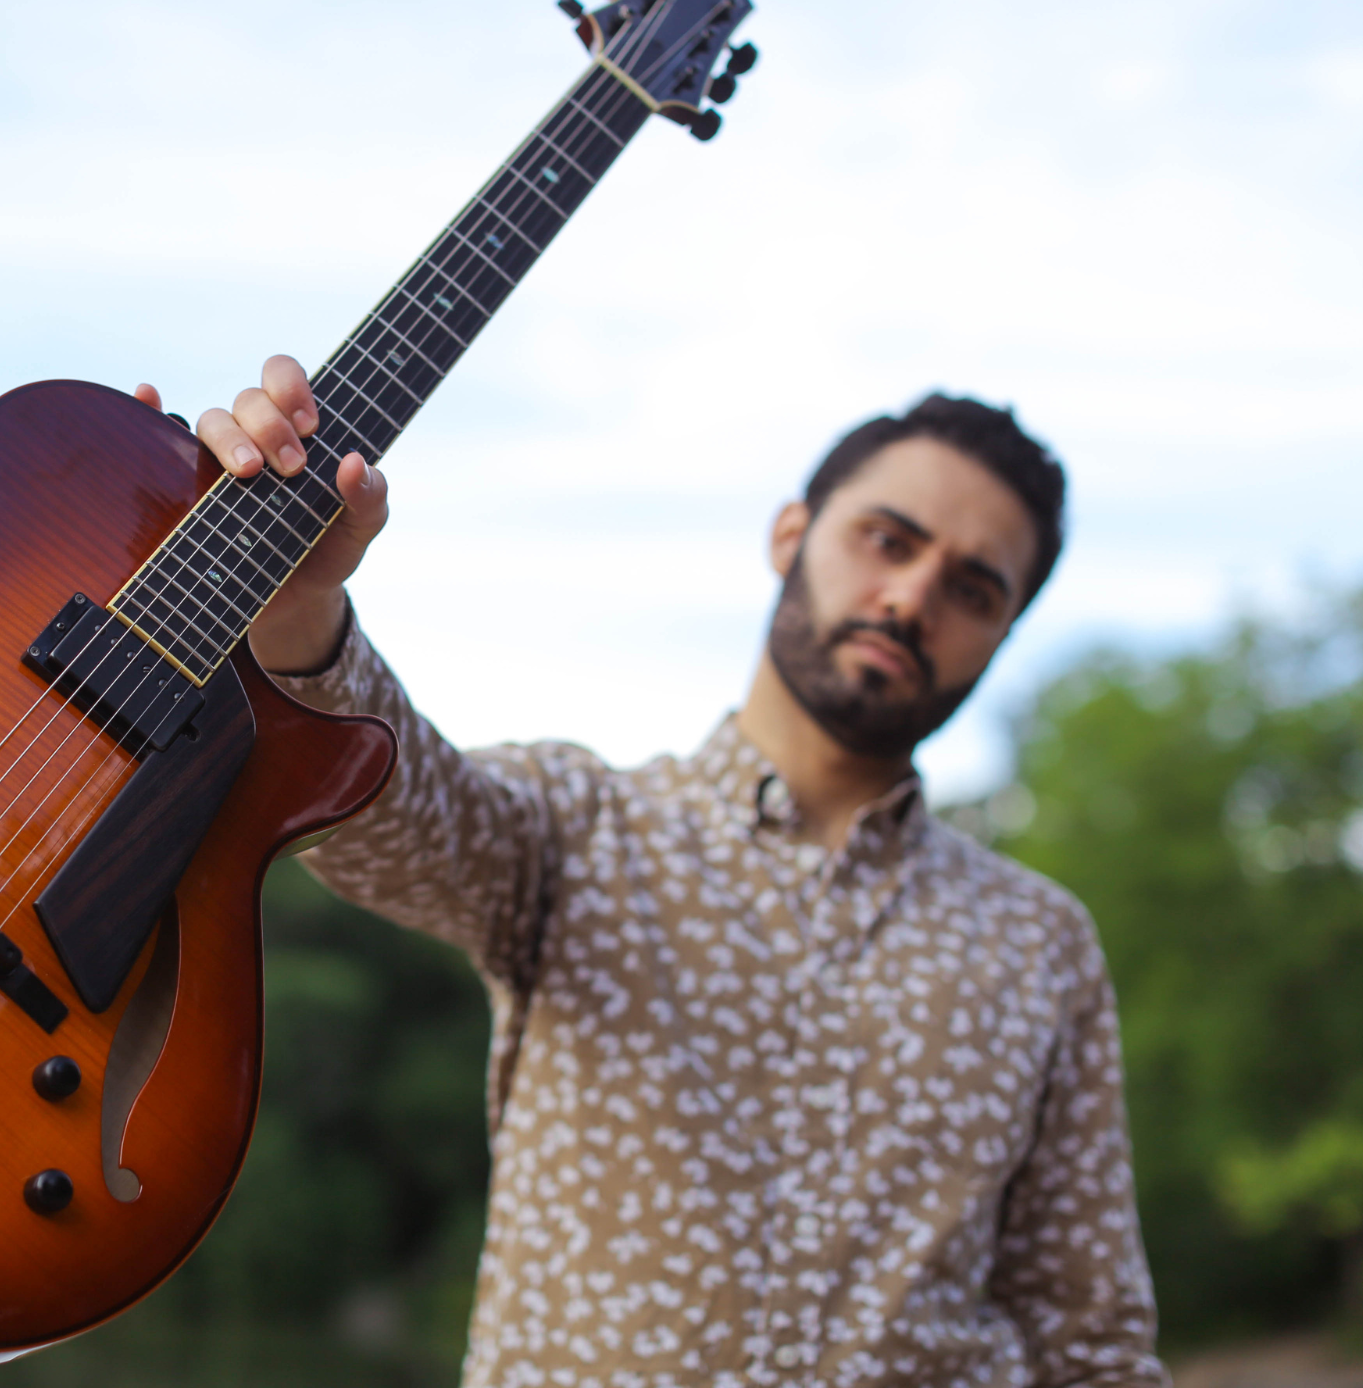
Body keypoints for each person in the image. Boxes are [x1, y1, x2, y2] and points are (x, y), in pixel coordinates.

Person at [135, 357, 1166, 1388]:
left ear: (1000, 637)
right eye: (886, 541)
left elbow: (1090, 1345)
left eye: (971, 589)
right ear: (790, 535)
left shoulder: (1039, 944)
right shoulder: (584, 830)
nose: (909, 598)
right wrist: (296, 610)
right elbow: (388, 823)